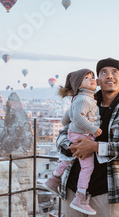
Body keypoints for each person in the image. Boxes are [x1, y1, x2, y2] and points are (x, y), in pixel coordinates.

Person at [56, 58, 119, 217]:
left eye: (114, 72)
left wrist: (95, 147)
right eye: (104, 72)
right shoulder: (83, 101)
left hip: (107, 193)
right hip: (72, 189)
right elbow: (62, 135)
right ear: (97, 81)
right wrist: (74, 147)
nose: (109, 76)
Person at [43, 69, 101, 215]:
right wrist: (93, 128)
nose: (92, 79)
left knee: (69, 158)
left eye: (92, 77)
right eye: (87, 78)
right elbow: (78, 118)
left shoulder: (78, 98)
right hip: (83, 135)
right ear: (78, 84)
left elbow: (66, 119)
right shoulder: (84, 99)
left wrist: (70, 129)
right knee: (87, 167)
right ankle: (80, 198)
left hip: (74, 134)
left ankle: (53, 180)